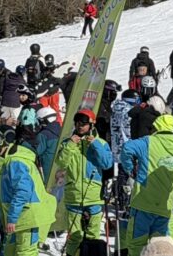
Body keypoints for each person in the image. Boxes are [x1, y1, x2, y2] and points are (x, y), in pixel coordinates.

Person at [121, 114, 173, 256]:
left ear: (156, 127)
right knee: (163, 245)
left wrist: (130, 169)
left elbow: (126, 148)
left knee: (136, 245)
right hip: (164, 205)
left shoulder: (148, 142)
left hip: (142, 203)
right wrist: (172, 183)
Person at [55, 109, 113, 256]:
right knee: (74, 236)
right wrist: (70, 145)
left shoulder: (101, 143)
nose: (80, 126)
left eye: (84, 123)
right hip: (73, 197)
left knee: (93, 236)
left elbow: (107, 163)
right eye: (77, 123)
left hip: (94, 197)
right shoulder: (67, 143)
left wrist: (95, 144)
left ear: (91, 125)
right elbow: (61, 163)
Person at [0, 132, 57, 256]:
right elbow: (8, 192)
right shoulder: (10, 162)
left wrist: (12, 218)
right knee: (10, 252)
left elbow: (23, 191)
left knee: (25, 253)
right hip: (20, 219)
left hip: (27, 218)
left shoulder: (15, 162)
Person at [35, 107, 60, 183]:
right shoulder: (61, 130)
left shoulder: (44, 134)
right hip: (59, 167)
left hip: (47, 167)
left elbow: (37, 151)